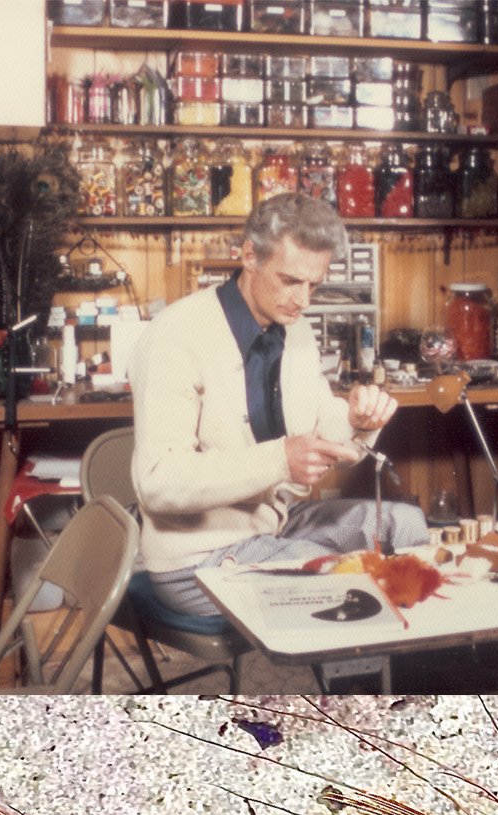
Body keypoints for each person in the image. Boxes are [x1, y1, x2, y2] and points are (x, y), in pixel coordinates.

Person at [129, 192, 428, 616]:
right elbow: (157, 482)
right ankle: (364, 675)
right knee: (348, 579)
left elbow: (328, 432)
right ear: (249, 255)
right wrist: (281, 460)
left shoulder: (296, 330)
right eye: (290, 281)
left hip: (275, 526)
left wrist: (359, 422)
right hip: (196, 559)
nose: (304, 300)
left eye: (315, 285)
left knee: (408, 525)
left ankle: (406, 673)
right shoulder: (176, 336)